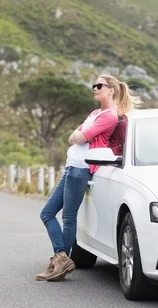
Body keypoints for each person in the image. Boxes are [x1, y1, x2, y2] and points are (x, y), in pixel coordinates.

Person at [37, 75, 141, 282]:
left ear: (111, 90)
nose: (94, 88)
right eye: (94, 85)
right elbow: (74, 136)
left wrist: (79, 133)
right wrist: (78, 134)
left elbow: (78, 137)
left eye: (99, 85)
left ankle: (60, 261)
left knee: (68, 216)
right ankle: (61, 258)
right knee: (47, 213)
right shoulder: (96, 113)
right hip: (71, 168)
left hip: (81, 170)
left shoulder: (109, 117)